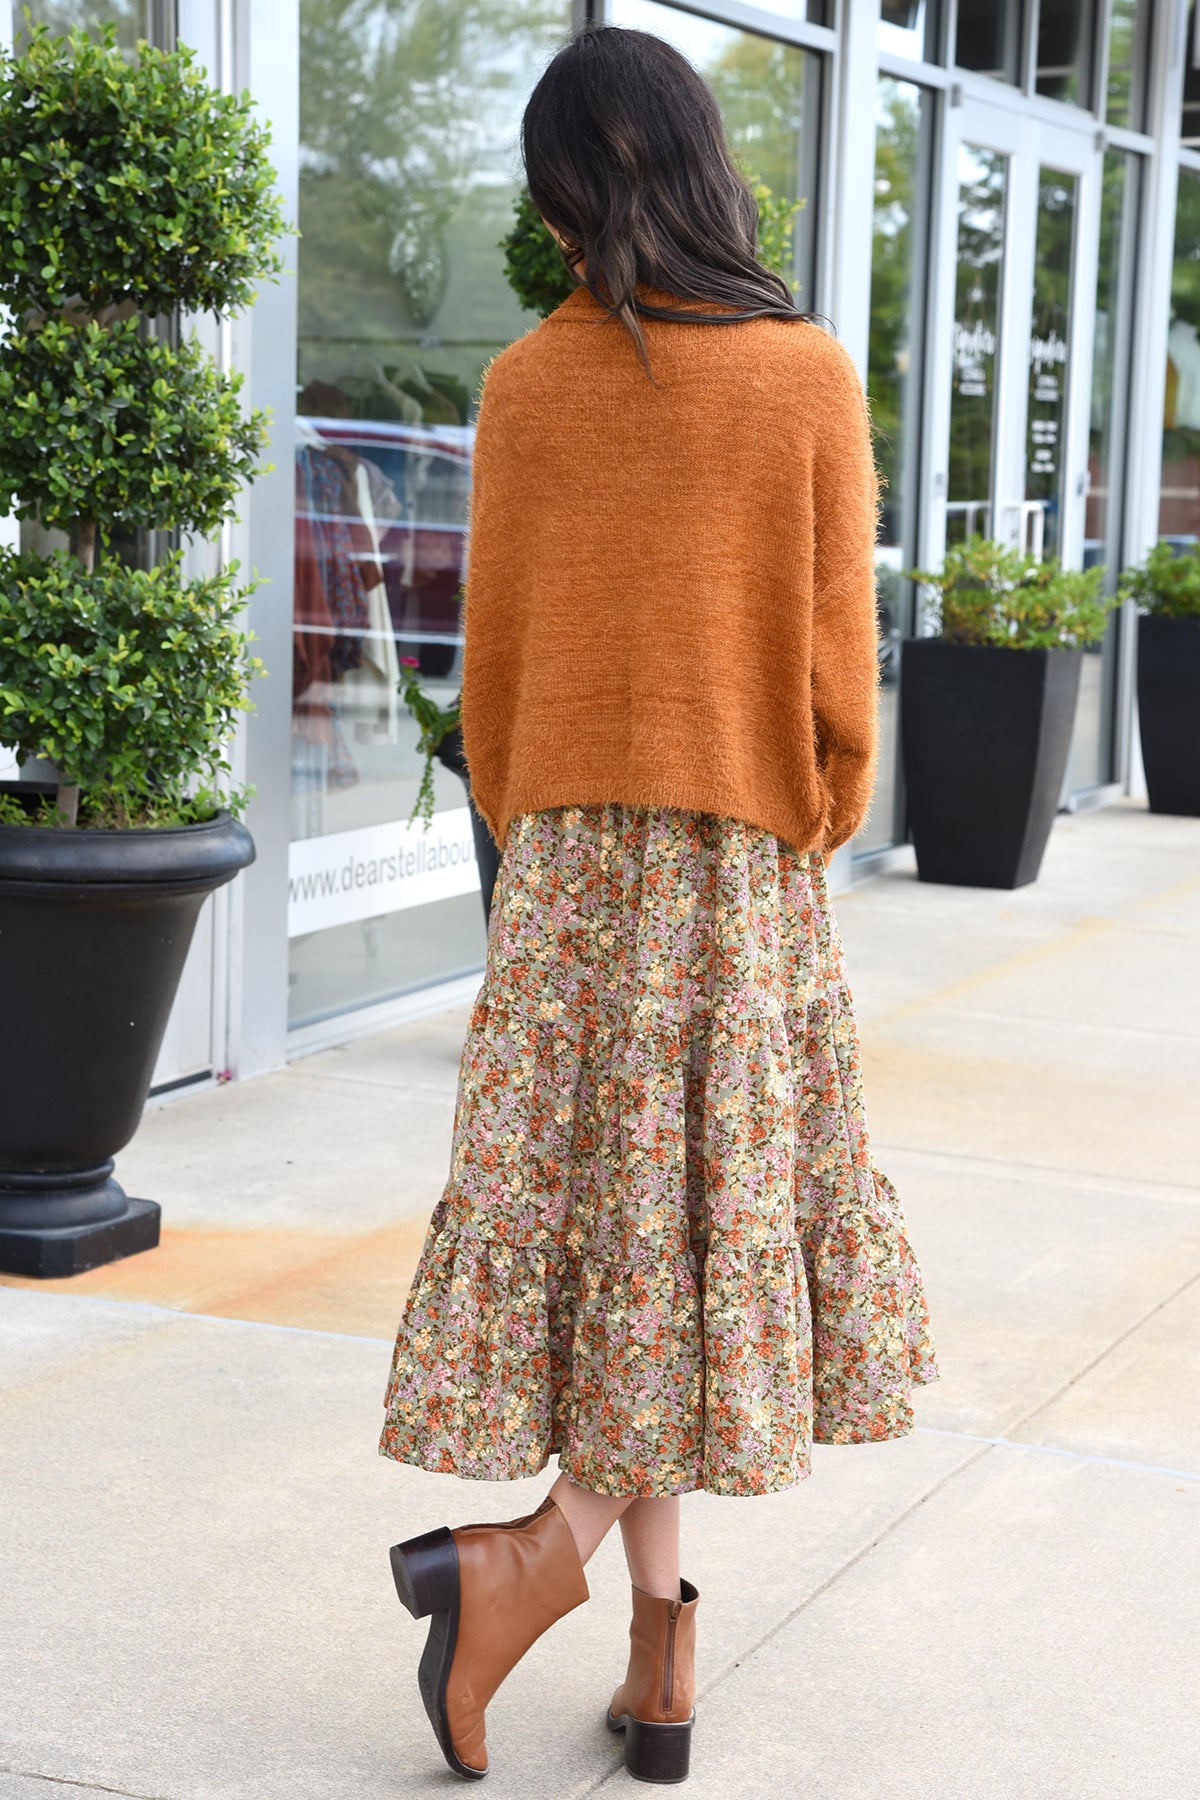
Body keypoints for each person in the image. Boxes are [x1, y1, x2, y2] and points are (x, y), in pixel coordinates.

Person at [379, 24, 937, 1786]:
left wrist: (539, 825)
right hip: (733, 865)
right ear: (703, 166)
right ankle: (562, 1587)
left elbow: (491, 672)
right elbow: (841, 675)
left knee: (627, 1247)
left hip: (564, 872)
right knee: (687, 1241)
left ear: (567, 194)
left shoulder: (525, 386)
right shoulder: (805, 378)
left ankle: (653, 1641)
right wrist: (811, 823)